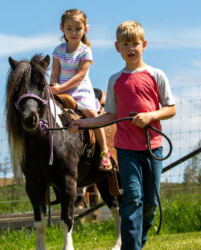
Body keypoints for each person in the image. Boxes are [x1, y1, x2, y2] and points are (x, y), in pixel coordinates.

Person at [69, 20, 176, 249]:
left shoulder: (156, 75)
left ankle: (138, 243)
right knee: (133, 199)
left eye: (135, 43)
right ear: (117, 47)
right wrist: (83, 123)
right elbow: (109, 115)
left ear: (144, 44)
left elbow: (171, 108)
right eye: (125, 44)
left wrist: (150, 116)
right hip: (126, 150)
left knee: (150, 204)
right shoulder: (115, 80)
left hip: (153, 146)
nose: (131, 48)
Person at [50, 9, 112, 171]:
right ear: (62, 28)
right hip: (60, 91)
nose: (73, 32)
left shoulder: (85, 51)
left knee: (92, 115)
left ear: (85, 29)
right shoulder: (58, 50)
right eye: (69, 28)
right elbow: (55, 72)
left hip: (80, 91)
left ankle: (104, 151)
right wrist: (52, 86)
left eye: (77, 28)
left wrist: (60, 88)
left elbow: (80, 75)